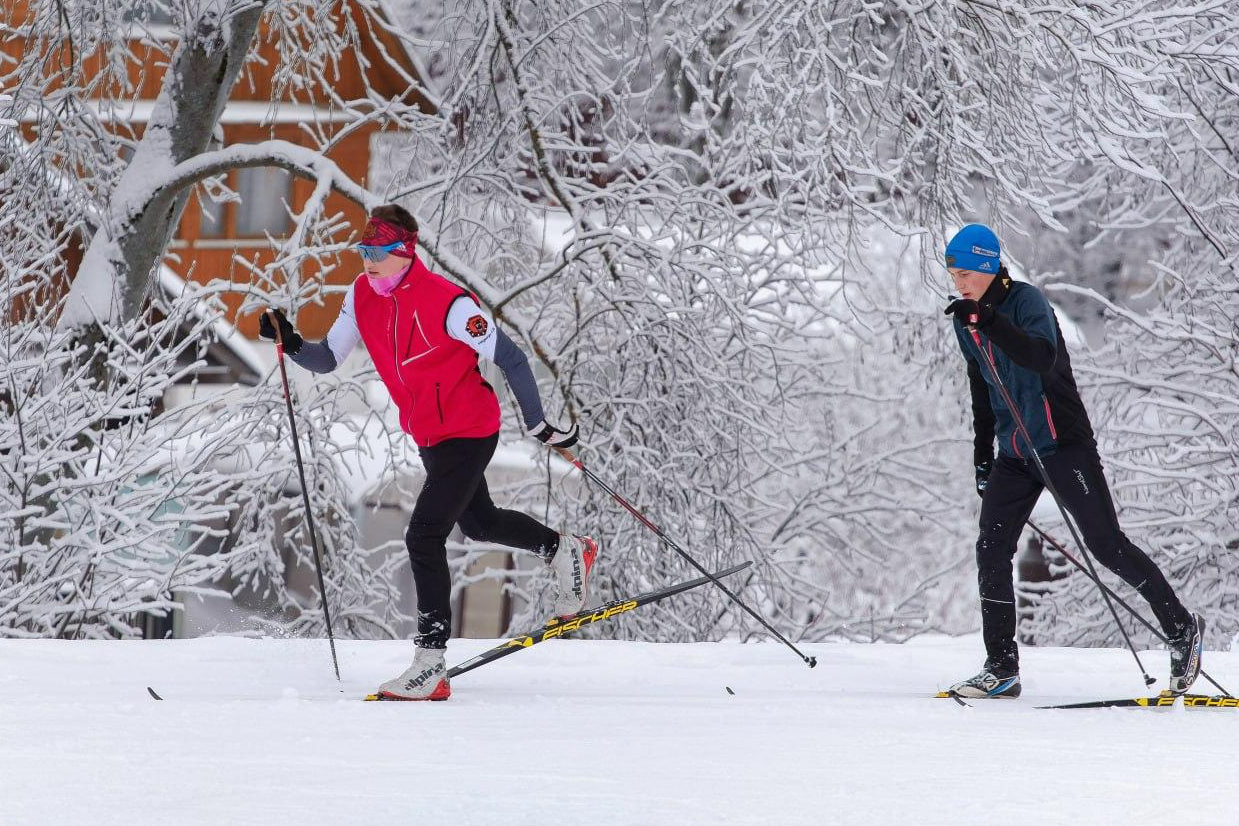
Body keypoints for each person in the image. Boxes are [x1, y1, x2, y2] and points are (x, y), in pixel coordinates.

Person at [260, 204, 598, 701]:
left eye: (377, 252)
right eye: (362, 251)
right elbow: (330, 358)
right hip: (430, 437)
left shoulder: (449, 304)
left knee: (423, 535)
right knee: (479, 523)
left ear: (405, 252)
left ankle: (430, 662)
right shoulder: (361, 297)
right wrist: (290, 343)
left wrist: (539, 424)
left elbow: (512, 358)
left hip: (470, 429)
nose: (366, 261)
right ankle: (564, 549)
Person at [941, 223, 1203, 699]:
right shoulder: (966, 319)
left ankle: (1182, 629)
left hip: (1063, 445)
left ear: (985, 266)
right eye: (952, 275)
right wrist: (983, 455)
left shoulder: (1025, 304)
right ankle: (1001, 667)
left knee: (1106, 545)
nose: (958, 283)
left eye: (963, 273)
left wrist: (988, 322)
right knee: (991, 549)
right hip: (1016, 454)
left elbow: (1040, 357)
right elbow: (981, 388)